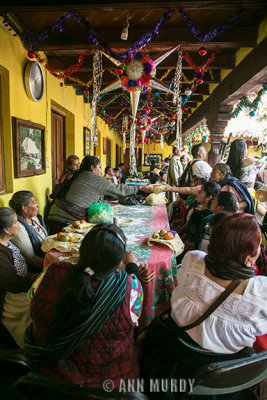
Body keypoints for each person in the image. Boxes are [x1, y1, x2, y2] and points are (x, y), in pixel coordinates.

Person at [142, 214, 267, 399]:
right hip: (225, 378)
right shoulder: (260, 292)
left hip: (174, 361)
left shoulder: (193, 261)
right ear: (248, 259)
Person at [25, 223, 144, 388]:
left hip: (49, 380)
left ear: (80, 253)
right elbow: (136, 315)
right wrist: (132, 266)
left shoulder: (51, 271)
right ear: (118, 265)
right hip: (109, 386)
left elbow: (31, 300)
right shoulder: (130, 288)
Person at [47, 156, 153, 234]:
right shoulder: (95, 179)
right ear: (93, 168)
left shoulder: (76, 174)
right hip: (67, 220)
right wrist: (141, 187)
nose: (101, 170)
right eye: (99, 167)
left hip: (53, 214)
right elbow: (119, 189)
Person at [0, 207, 33, 348]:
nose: (18, 223)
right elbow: (13, 284)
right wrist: (32, 281)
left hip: (22, 284)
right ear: (6, 230)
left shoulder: (7, 242)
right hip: (9, 297)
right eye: (15, 222)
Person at [9, 191, 48, 271]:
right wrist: (51, 265)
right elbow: (31, 258)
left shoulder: (34, 218)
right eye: (34, 202)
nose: (37, 204)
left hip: (46, 258)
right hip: (36, 268)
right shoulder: (18, 228)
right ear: (25, 208)